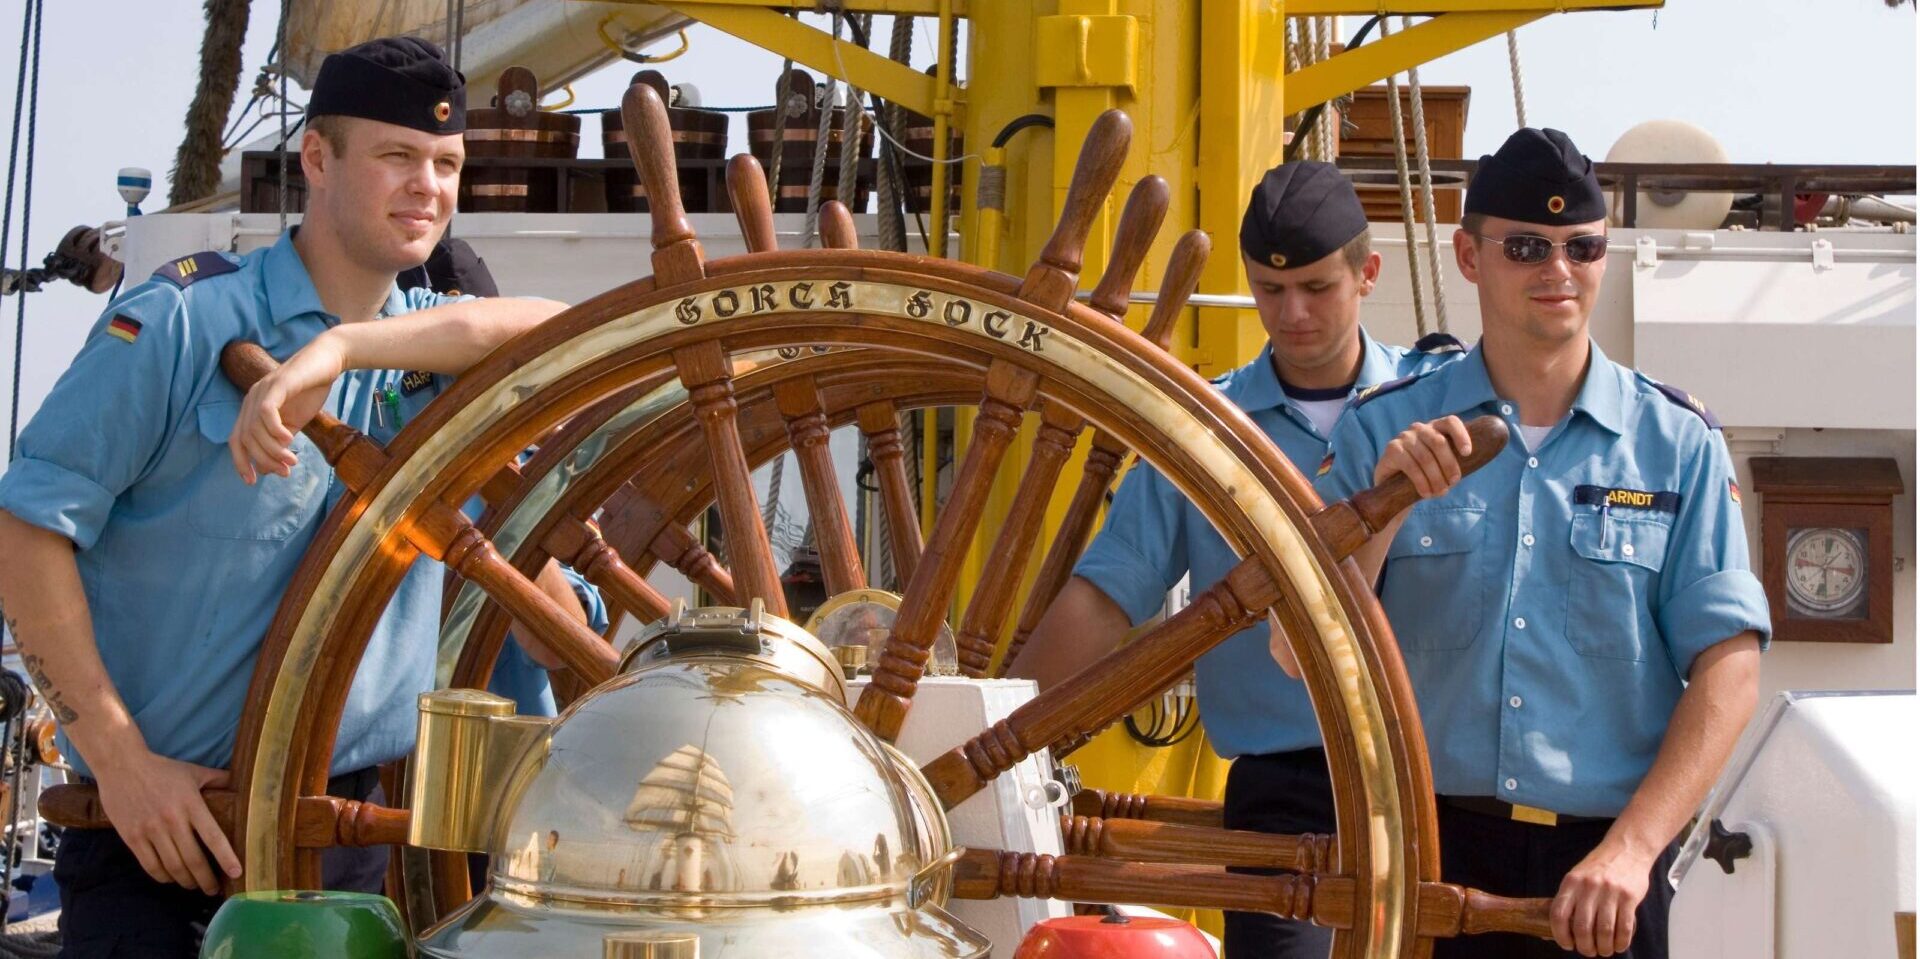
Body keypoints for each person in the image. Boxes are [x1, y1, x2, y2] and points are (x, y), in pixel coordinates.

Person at [0, 38, 579, 958]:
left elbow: (570, 332)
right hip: (167, 840)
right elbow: (25, 528)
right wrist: (120, 762)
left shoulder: (427, 358)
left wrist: (346, 349)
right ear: (318, 159)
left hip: (356, 854)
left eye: (446, 163)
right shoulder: (185, 321)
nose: (427, 186)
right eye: (396, 156)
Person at [1315, 128, 1768, 959]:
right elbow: (1294, 648)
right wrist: (1380, 510)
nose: (1558, 270)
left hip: (1604, 876)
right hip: (1422, 860)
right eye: (1526, 246)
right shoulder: (1382, 429)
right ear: (1467, 256)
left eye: (1581, 246)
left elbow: (1730, 666)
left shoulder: (1678, 444)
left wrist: (1634, 850)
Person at [1007, 160, 1462, 959]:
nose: (1291, 313)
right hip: (1282, 795)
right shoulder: (1202, 429)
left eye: (1318, 288)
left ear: (1370, 273)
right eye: (1269, 289)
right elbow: (1108, 594)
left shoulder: (1443, 405)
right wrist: (998, 746)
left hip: (1444, 782)